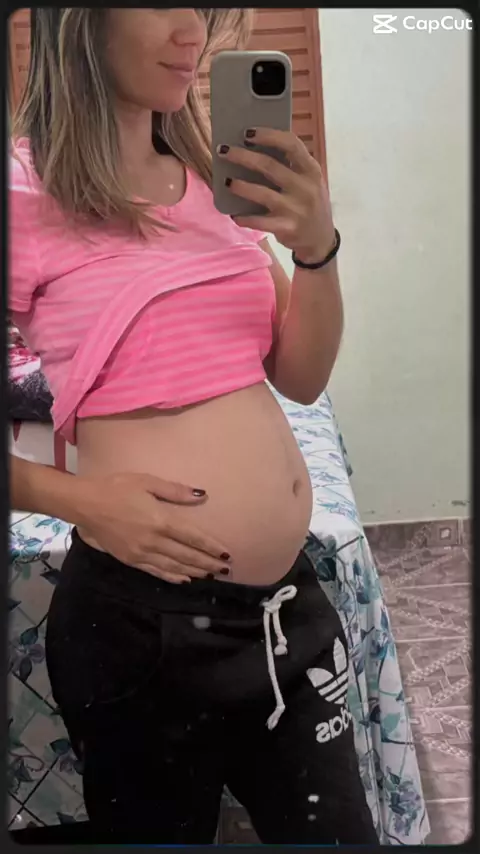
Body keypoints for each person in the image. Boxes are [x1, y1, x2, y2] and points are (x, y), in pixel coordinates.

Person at [9, 8, 378, 844]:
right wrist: (80, 501)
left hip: (286, 612)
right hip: (142, 629)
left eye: (203, 12)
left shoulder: (213, 183)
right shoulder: (23, 193)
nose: (193, 34)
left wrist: (316, 248)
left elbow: (301, 375)